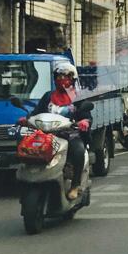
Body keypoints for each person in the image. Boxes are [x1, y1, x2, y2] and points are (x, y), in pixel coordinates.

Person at [33, 59, 92, 200]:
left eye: (66, 76)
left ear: (73, 78)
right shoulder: (48, 96)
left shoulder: (77, 97)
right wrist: (27, 119)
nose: (62, 79)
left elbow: (87, 116)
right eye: (59, 76)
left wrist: (84, 121)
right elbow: (36, 112)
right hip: (48, 135)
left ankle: (75, 185)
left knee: (78, 151)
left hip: (70, 135)